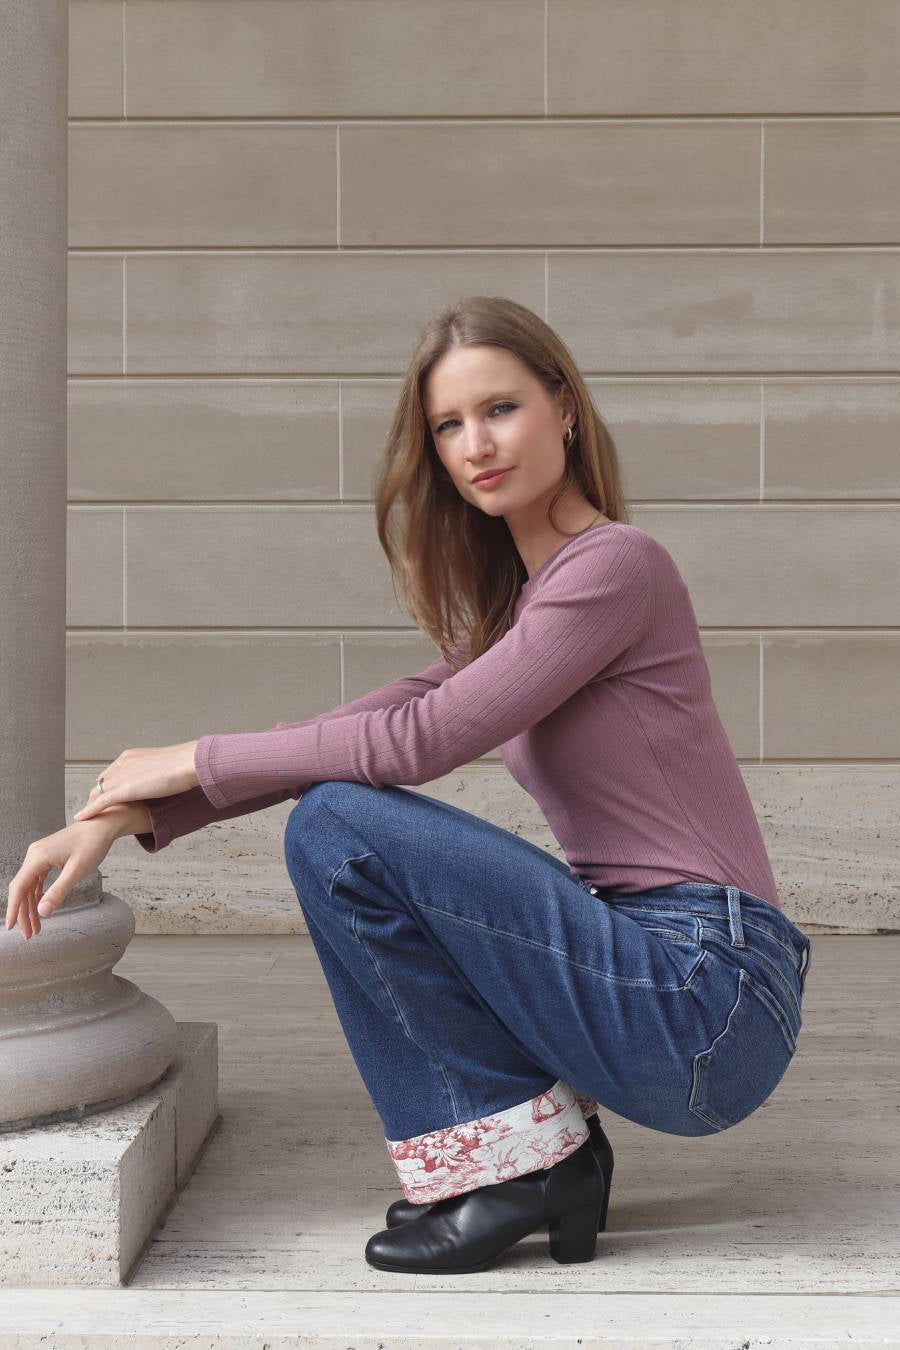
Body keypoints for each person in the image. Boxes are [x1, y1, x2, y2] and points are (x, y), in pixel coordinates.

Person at [6, 295, 813, 1277]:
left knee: (341, 824)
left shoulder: (617, 567)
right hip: (655, 967)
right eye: (448, 425)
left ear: (565, 407)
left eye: (501, 408)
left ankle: (523, 1171)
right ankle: (534, 1165)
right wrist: (131, 809)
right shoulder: (522, 612)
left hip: (709, 995)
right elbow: (358, 729)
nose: (478, 445)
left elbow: (421, 741)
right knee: (331, 813)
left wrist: (190, 755)